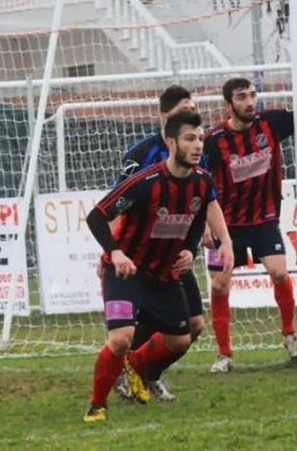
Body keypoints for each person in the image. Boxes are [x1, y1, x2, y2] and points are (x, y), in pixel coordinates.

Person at [83, 111, 231, 423]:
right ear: (171, 141)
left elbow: (196, 220)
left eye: (201, 139)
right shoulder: (144, 183)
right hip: (125, 272)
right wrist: (115, 253)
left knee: (181, 338)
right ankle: (97, 406)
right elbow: (97, 217)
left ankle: (135, 366)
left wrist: (190, 251)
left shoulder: (203, 183)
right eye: (190, 138)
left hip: (163, 276)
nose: (197, 145)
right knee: (121, 337)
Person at [112, 86, 232, 402]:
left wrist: (203, 235)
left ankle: (146, 373)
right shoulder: (140, 155)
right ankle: (128, 372)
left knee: (193, 327)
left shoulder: (195, 152)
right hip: (143, 256)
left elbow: (202, 199)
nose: (191, 121)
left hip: (174, 256)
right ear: (165, 117)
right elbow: (116, 205)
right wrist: (115, 250)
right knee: (160, 325)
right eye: (183, 111)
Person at [203, 66, 297, 372]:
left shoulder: (270, 123)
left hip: (264, 219)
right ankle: (225, 354)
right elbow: (199, 182)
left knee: (279, 272)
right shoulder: (213, 140)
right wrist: (204, 223)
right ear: (228, 105)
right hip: (226, 225)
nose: (250, 101)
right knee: (219, 286)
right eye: (242, 97)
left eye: (252, 95)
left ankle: (290, 335)